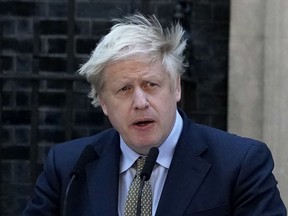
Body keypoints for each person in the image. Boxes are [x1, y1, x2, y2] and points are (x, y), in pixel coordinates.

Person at [23, 13, 286, 216]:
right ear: (103, 103)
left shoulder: (240, 164)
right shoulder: (68, 167)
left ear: (176, 88)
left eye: (151, 85)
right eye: (124, 89)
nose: (140, 102)